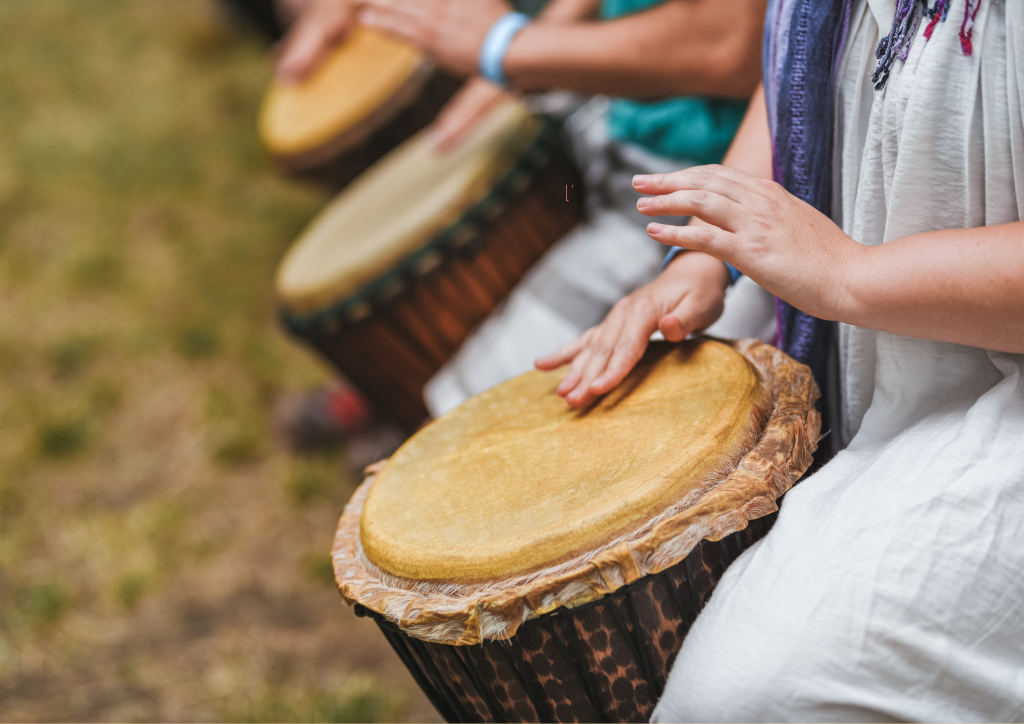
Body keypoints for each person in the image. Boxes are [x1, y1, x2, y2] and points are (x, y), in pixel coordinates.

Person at [540, 0, 1024, 719]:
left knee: (742, 697)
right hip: (889, 364)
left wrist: (846, 275)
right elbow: (801, 59)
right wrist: (700, 262)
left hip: (996, 402)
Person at [353, 0, 768, 417]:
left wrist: (508, 45)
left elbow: (741, 43)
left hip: (697, 172)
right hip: (617, 132)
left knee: (471, 415)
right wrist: (553, 29)